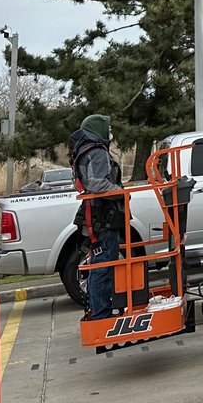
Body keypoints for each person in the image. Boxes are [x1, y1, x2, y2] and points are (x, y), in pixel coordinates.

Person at [69, 114, 123, 320]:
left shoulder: (83, 151)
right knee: (103, 264)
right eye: (108, 129)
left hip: (95, 216)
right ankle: (101, 314)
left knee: (99, 263)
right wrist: (119, 191)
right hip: (103, 217)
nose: (110, 133)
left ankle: (99, 309)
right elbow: (97, 184)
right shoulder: (97, 152)